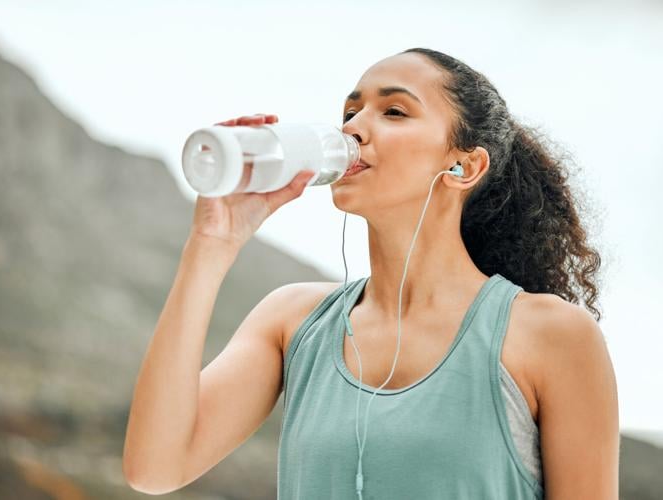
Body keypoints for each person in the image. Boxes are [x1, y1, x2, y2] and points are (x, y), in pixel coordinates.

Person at [122, 48, 619, 499]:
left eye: (394, 111)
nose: (354, 128)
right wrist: (212, 245)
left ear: (464, 167)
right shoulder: (293, 322)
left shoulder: (552, 336)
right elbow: (155, 467)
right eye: (350, 112)